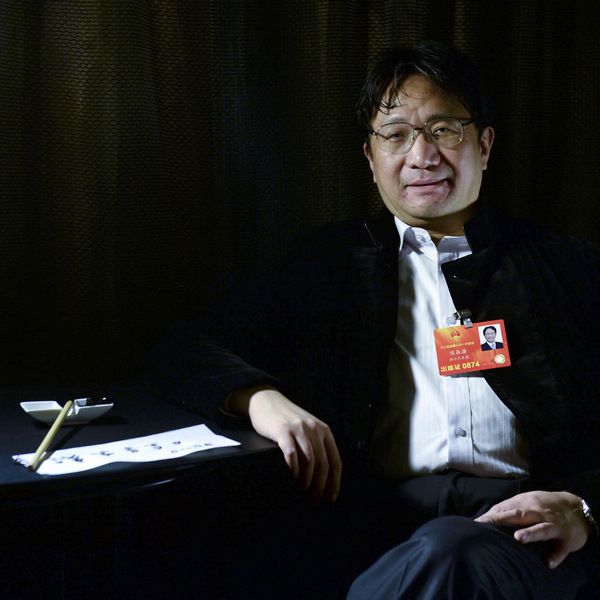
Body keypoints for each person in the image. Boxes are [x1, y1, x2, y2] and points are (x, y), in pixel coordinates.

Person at [146, 41, 600, 599]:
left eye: (443, 129)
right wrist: (261, 399)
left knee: (454, 555)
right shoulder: (323, 266)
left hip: (522, 533)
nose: (422, 155)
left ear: (484, 145)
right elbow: (180, 350)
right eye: (397, 134)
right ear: (369, 157)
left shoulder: (567, 267)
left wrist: (585, 506)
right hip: (372, 525)